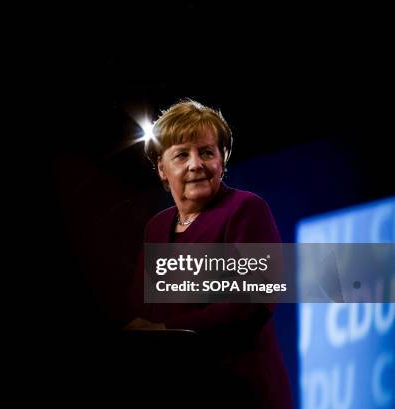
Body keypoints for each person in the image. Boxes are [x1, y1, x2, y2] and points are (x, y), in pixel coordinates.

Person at [124, 99, 292, 408]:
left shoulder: (245, 209)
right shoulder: (156, 228)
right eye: (181, 155)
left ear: (222, 159)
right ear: (162, 167)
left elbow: (253, 301)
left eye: (206, 152)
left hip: (239, 392)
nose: (195, 164)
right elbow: (140, 313)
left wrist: (166, 331)